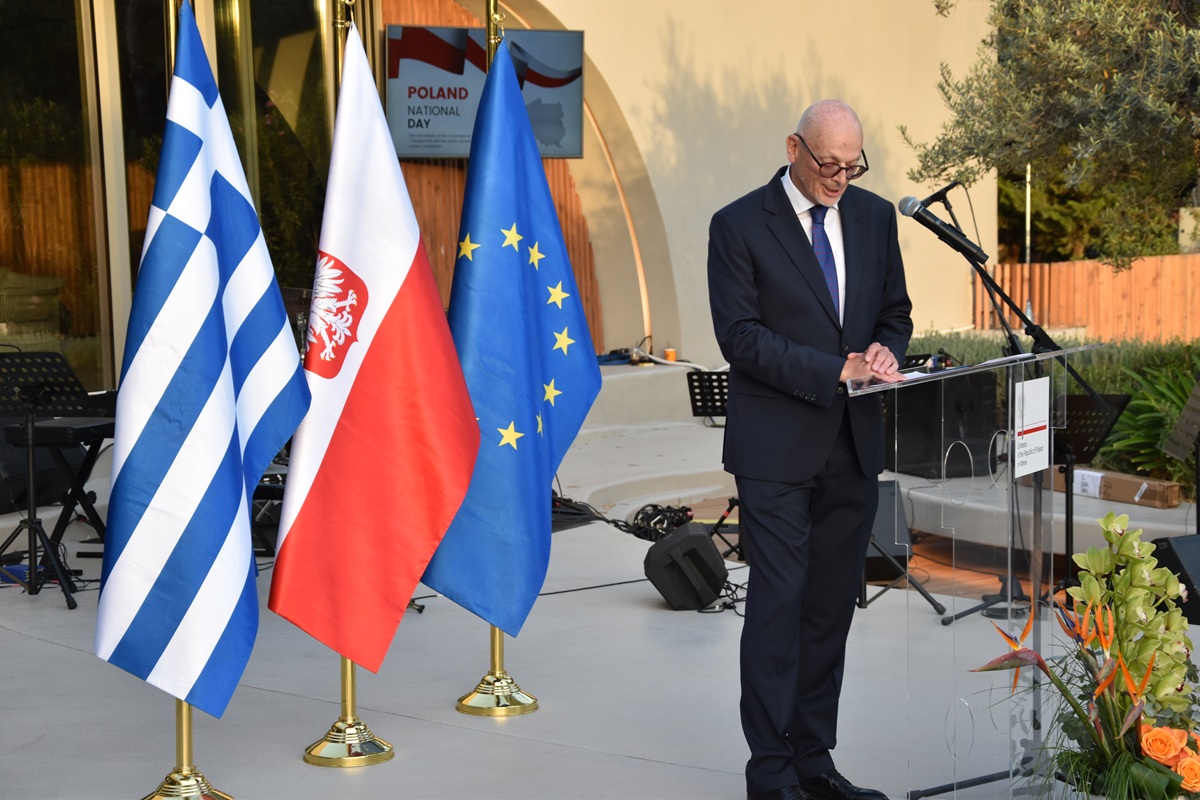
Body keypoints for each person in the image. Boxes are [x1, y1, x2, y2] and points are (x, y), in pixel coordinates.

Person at [707, 99, 912, 800]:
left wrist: (885, 349)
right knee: (778, 607)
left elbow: (894, 312)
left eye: (853, 165)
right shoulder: (738, 224)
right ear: (794, 147)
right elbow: (740, 337)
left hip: (853, 445)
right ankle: (771, 775)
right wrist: (835, 369)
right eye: (829, 164)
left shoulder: (874, 216)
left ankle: (813, 764)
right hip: (775, 450)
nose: (840, 178)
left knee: (828, 609)